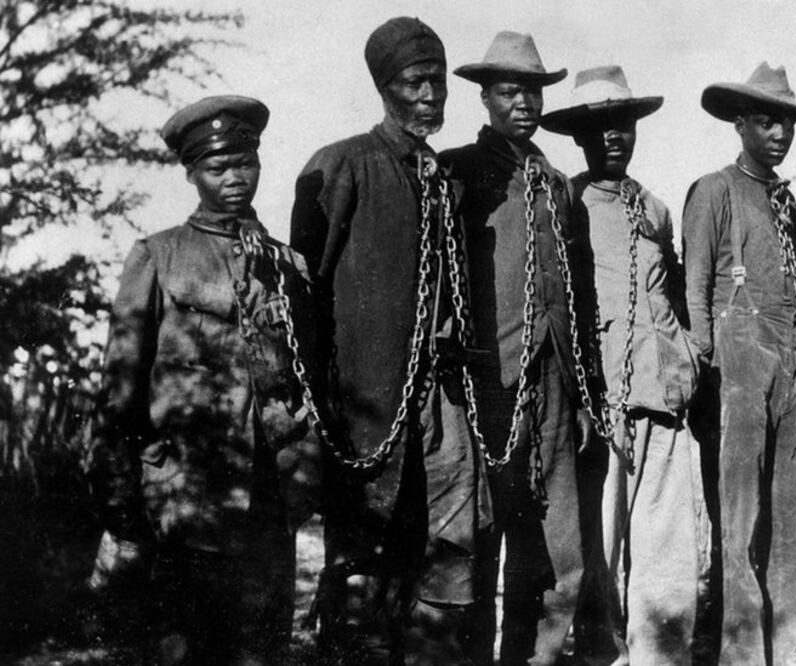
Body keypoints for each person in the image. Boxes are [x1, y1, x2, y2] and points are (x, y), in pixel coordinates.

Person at [88, 95, 321, 665]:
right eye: (217, 168)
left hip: (268, 498)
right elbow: (120, 384)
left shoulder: (288, 266)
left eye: (244, 163)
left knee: (261, 647)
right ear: (192, 173)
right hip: (185, 496)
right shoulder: (159, 256)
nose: (234, 178)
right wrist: (121, 495)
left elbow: (308, 379)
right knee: (183, 647)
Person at [289, 17, 489, 664]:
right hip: (369, 403)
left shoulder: (449, 180)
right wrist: (320, 404)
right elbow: (304, 294)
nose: (431, 95)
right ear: (384, 87)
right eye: (415, 82)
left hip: (445, 404)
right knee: (364, 563)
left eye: (438, 82)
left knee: (453, 550)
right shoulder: (342, 166)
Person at [440, 31, 601, 666]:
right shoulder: (457, 171)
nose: (525, 102)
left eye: (533, 90)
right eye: (510, 90)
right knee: (481, 539)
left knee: (558, 548)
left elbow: (578, 293)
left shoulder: (558, 183)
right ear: (484, 98)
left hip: (555, 384)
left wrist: (584, 393)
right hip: (488, 387)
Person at [541, 65, 709, 664]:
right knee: (597, 554)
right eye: (601, 127)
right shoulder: (566, 203)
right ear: (582, 137)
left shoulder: (656, 210)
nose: (615, 137)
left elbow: (678, 296)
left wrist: (687, 359)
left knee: (666, 558)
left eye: (624, 126)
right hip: (599, 406)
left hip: (661, 404)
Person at [682, 62, 796, 665]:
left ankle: (792, 650)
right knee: (739, 528)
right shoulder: (713, 190)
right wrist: (707, 376)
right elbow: (694, 292)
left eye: (786, 123)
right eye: (766, 122)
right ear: (739, 125)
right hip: (736, 370)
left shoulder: (786, 199)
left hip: (792, 366)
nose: (779, 135)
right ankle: (742, 655)